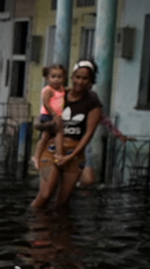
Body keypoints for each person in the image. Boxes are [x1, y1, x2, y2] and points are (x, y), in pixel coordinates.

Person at [30, 60, 101, 210]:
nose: (80, 81)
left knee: (63, 201)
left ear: (91, 81)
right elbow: (39, 121)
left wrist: (71, 155)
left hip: (74, 152)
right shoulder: (60, 94)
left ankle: (58, 225)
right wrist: (51, 124)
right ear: (72, 77)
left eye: (85, 78)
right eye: (77, 77)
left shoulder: (92, 102)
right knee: (45, 194)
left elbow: (89, 134)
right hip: (52, 148)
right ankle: (32, 222)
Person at [31, 62, 68, 172]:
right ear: (47, 78)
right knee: (58, 132)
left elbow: (66, 91)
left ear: (64, 78)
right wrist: (54, 114)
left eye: (59, 77)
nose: (56, 80)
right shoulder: (48, 90)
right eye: (53, 77)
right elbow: (46, 103)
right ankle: (57, 154)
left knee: (49, 135)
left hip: (56, 115)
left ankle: (40, 156)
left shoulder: (61, 89)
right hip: (48, 115)